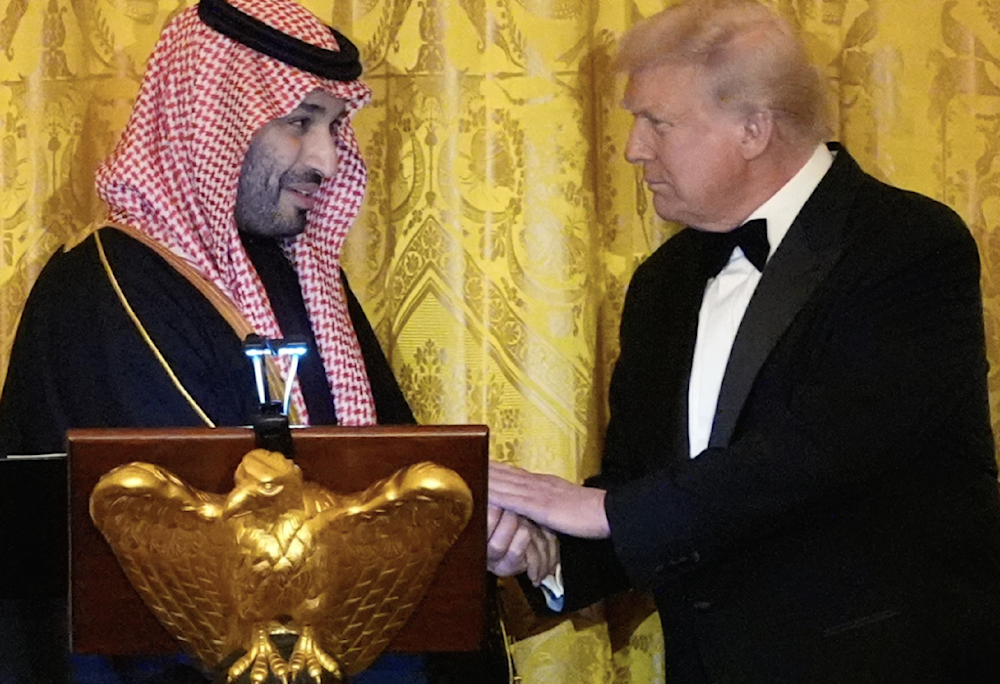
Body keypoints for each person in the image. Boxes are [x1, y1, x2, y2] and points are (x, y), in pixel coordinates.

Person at [486, 1, 1000, 683]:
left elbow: (816, 455)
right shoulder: (662, 282)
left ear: (754, 128)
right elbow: (649, 487)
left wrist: (603, 511)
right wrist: (547, 554)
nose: (634, 147)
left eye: (656, 122)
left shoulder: (907, 246)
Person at [0, 1, 502, 682]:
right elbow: (219, 548)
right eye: (299, 122)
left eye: (334, 125)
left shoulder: (303, 281)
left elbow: (386, 466)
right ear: (209, 121)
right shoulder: (105, 289)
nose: (326, 160)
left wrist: (483, 520)